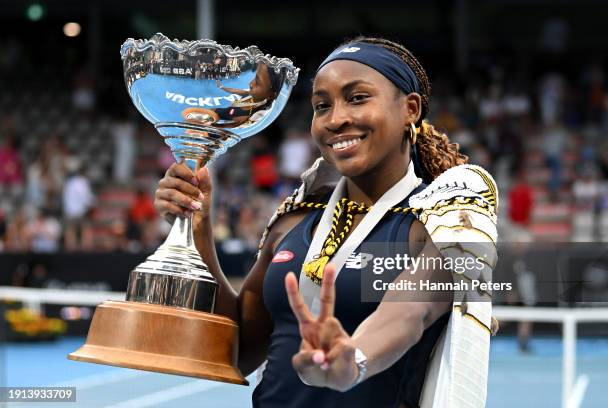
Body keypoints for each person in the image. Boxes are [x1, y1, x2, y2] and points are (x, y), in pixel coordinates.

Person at [154, 37, 498, 408]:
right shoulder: (293, 223)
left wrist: (353, 359)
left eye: (357, 98)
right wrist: (198, 228)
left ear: (410, 110)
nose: (336, 119)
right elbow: (237, 354)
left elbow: (409, 313)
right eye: (322, 105)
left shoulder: (442, 223)